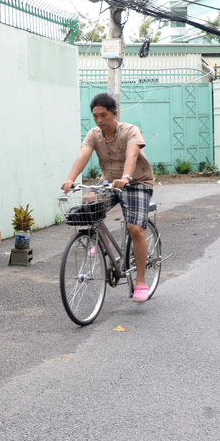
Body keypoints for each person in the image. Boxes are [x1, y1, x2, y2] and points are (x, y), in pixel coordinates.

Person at [61, 93, 156, 302]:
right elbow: (83, 155)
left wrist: (126, 177)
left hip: (136, 182)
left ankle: (140, 280)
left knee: (136, 229)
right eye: (95, 116)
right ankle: (101, 241)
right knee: (89, 200)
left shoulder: (130, 131)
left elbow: (132, 155)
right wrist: (70, 179)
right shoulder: (94, 134)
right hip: (110, 181)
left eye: (103, 115)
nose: (99, 121)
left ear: (115, 113)